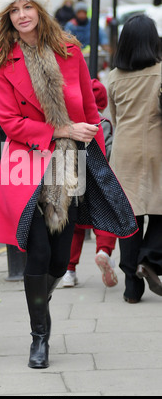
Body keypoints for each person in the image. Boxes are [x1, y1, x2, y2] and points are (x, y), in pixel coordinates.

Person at [0, 0, 138, 369]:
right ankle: (40, 336)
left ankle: (41, 296)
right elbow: (10, 123)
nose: (22, 15)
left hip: (70, 166)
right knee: (36, 253)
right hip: (26, 164)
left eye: (27, 6)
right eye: (14, 10)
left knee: (58, 261)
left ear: (39, 8)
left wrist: (98, 166)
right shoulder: (2, 62)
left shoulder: (69, 50)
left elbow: (89, 110)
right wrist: (60, 128)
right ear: (6, 16)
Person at [107, 14, 162, 304]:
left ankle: (132, 288)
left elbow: (114, 119)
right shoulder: (161, 73)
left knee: (130, 220)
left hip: (124, 152)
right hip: (157, 150)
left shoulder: (113, 78)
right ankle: (149, 260)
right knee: (159, 211)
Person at [62, 79, 117, 288]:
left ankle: (69, 271)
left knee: (73, 225)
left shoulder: (69, 126)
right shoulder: (102, 123)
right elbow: (110, 152)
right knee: (105, 216)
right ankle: (103, 251)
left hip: (72, 178)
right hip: (99, 178)